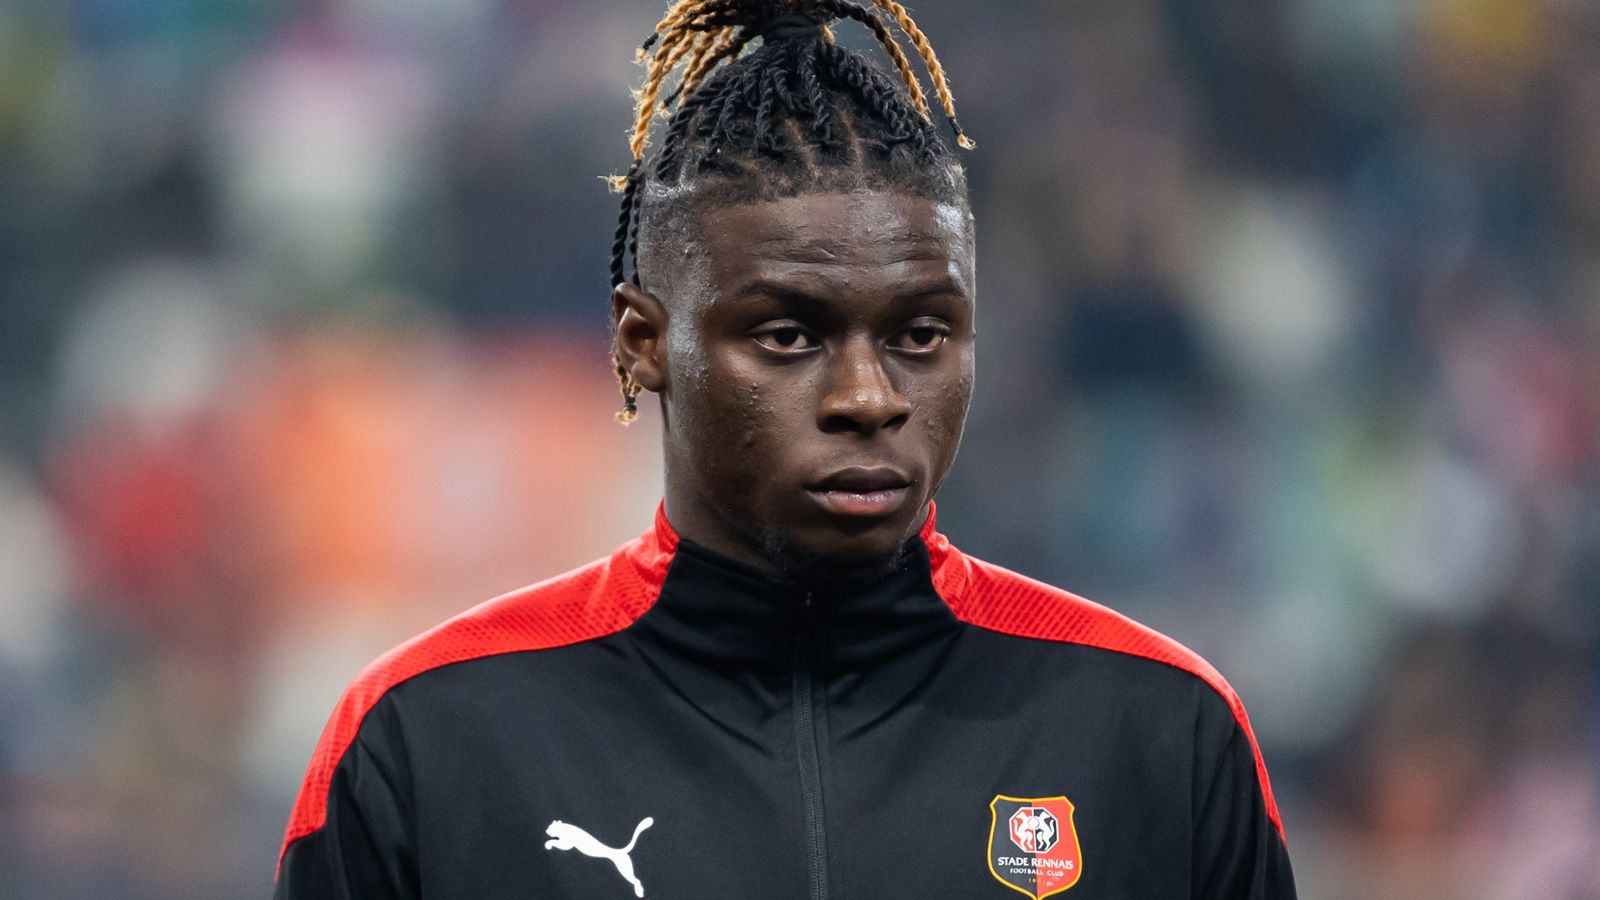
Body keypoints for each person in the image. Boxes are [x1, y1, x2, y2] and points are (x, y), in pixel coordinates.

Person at [273, 1, 1297, 897]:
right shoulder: (427, 740)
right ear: (643, 344)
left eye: (920, 334)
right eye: (789, 336)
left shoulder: (1159, 735)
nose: (868, 396)